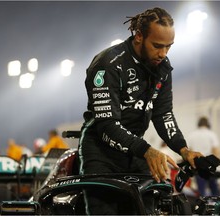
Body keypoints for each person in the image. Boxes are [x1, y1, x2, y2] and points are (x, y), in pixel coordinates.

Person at [79, 7, 203, 214]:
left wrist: (184, 150)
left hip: (137, 152)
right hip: (101, 153)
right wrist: (147, 150)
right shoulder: (107, 64)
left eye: (168, 47)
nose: (163, 54)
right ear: (138, 36)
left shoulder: (162, 65)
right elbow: (107, 124)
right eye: (157, 46)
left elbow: (163, 113)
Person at [187, 116, 220, 196]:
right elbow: (215, 151)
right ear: (208, 124)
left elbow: (189, 152)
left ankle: (202, 206)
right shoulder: (211, 134)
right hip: (210, 165)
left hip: (198, 165)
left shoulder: (192, 135)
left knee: (201, 191)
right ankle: (217, 205)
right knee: (214, 190)